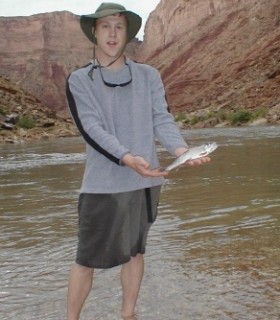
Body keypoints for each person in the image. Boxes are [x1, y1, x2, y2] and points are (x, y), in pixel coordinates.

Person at [66, 2, 210, 319]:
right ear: (94, 32)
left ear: (128, 33)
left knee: (135, 252)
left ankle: (128, 315)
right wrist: (127, 158)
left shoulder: (149, 76)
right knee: (86, 259)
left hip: (147, 182)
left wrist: (181, 151)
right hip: (102, 186)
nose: (113, 33)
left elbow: (163, 119)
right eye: (105, 26)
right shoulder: (79, 80)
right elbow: (91, 129)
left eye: (119, 26)